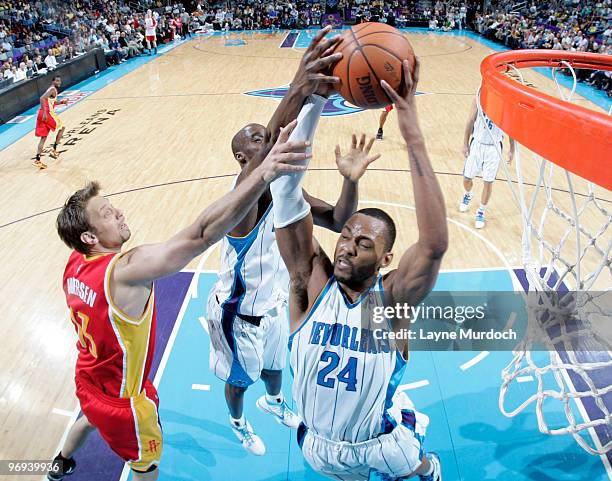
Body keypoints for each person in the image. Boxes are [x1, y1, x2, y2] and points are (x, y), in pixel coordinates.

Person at [46, 121, 311, 481]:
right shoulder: (124, 271)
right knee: (147, 470)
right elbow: (201, 234)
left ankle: (59, 463)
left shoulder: (76, 261)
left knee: (88, 418)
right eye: (107, 213)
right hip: (125, 402)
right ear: (90, 235)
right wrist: (263, 173)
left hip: (89, 378)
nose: (119, 212)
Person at [269, 59, 446, 480]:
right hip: (317, 443)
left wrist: (413, 135)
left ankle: (427, 466)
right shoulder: (310, 283)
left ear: (386, 260)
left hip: (382, 444)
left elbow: (434, 245)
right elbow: (285, 196)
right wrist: (314, 101)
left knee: (415, 467)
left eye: (363, 244)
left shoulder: (390, 302)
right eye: (346, 236)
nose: (346, 247)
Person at [206, 25, 351, 456]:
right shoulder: (241, 200)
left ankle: (273, 402)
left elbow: (340, 218)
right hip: (235, 314)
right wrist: (301, 86)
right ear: (242, 157)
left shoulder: (288, 194)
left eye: (261, 135)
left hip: (271, 307)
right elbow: (272, 143)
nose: (265, 141)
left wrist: (350, 181)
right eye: (255, 139)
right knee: (239, 380)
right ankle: (237, 420)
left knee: (275, 368)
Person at [460, 89, 515, 228]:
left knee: (488, 182)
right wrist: (465, 143)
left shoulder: (505, 105)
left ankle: (481, 211)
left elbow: (510, 129)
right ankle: (468, 194)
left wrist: (511, 150)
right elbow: (469, 121)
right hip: (477, 144)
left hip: (494, 148)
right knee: (467, 179)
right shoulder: (479, 97)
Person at [33, 76, 67, 169]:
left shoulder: (52, 90)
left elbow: (53, 102)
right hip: (47, 113)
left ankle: (37, 160)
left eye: (60, 80)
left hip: (41, 114)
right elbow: (41, 98)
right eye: (57, 80)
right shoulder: (52, 89)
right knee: (62, 127)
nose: (59, 82)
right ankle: (54, 150)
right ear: (53, 81)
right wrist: (44, 113)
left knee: (43, 138)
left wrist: (62, 102)